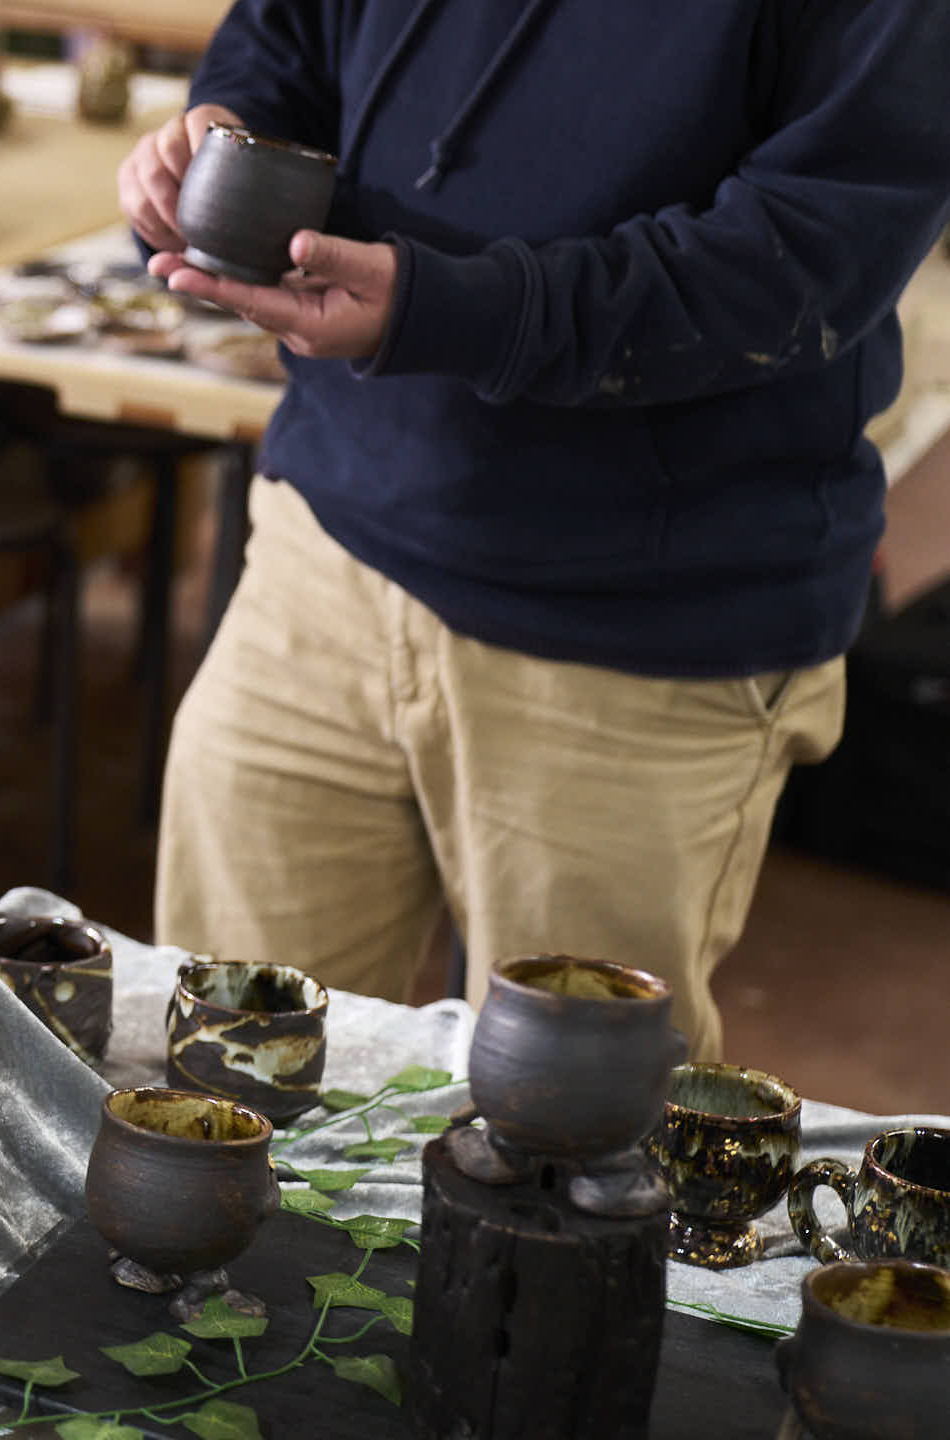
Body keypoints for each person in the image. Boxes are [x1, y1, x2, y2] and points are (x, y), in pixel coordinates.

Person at [118, 0, 950, 1059]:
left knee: (566, 1168)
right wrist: (222, 131)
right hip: (325, 547)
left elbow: (799, 255)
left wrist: (447, 309)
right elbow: (286, 33)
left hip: (640, 626)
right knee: (220, 1091)